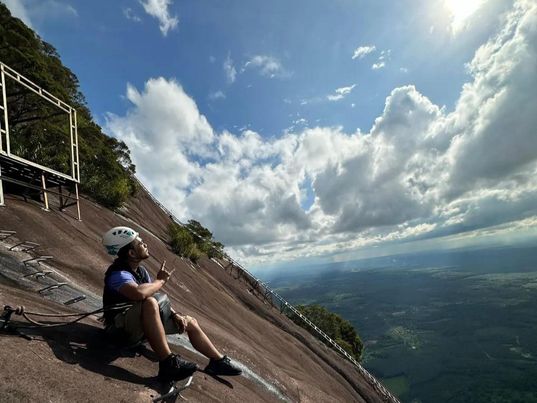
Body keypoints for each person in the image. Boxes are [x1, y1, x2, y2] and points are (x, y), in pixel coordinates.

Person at [102, 226, 242, 382]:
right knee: (149, 302)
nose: (146, 245)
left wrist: (175, 314)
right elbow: (140, 294)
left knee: (189, 321)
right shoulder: (118, 275)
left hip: (138, 326)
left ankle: (217, 362)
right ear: (132, 253)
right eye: (141, 243)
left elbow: (152, 293)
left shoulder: (140, 272)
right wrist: (161, 280)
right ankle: (168, 364)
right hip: (119, 332)